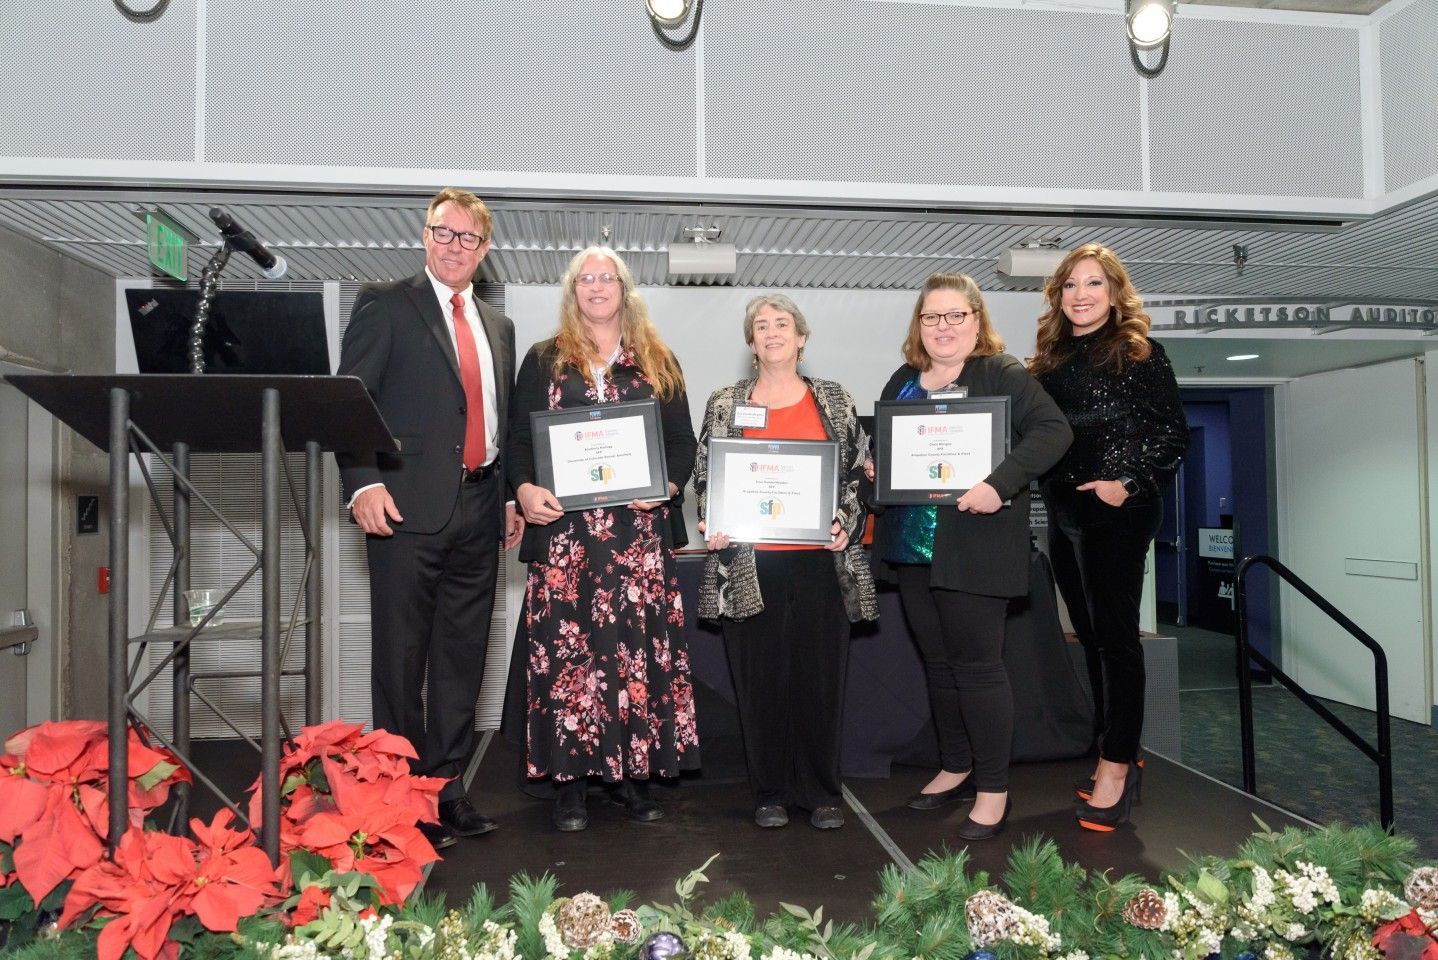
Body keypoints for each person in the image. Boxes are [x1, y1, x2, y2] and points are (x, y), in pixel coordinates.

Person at [336, 187, 523, 850]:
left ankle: (446, 790)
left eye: (467, 238)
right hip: (403, 508)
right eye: (443, 233)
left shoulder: (497, 327)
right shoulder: (386, 305)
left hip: (478, 511)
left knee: (460, 662)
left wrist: (503, 498)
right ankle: (399, 798)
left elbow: (493, 421)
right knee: (400, 659)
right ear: (424, 236)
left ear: (485, 249)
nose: (453, 246)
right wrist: (360, 482)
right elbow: (350, 399)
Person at [871, 272, 1071, 841]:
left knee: (979, 671)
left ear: (976, 321)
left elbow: (1053, 432)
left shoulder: (1000, 373)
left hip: (976, 549)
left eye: (955, 315)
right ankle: (955, 766)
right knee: (939, 667)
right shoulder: (904, 379)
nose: (943, 327)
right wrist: (872, 475)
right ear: (920, 326)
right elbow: (887, 456)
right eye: (932, 317)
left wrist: (999, 483)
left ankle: (992, 788)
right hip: (913, 548)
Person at [507, 246, 699, 832]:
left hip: (637, 538)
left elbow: (682, 444)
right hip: (566, 539)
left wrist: (666, 483)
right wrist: (522, 489)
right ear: (573, 291)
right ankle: (571, 785)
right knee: (572, 659)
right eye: (585, 278)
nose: (596, 287)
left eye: (606, 277)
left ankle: (634, 779)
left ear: (624, 288)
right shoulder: (544, 360)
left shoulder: (657, 361)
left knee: (633, 656)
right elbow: (518, 439)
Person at [694, 294, 877, 831]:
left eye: (782, 324)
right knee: (761, 684)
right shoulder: (726, 402)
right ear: (751, 343)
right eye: (760, 326)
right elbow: (706, 471)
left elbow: (858, 472)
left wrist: (846, 519)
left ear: (802, 338)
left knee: (820, 683)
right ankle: (770, 792)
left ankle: (821, 793)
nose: (772, 332)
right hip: (749, 566)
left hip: (819, 565)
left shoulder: (834, 397)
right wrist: (712, 517)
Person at [1029, 243, 1188, 832]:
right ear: (1058, 296)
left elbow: (1174, 436)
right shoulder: (1049, 360)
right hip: (1063, 510)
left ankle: (1118, 767)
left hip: (1118, 510)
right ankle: (1109, 747)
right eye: (1070, 286)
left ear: (1116, 293)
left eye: (1094, 284)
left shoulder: (1140, 352)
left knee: (1117, 639)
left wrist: (1127, 482)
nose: (1081, 295)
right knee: (1091, 637)